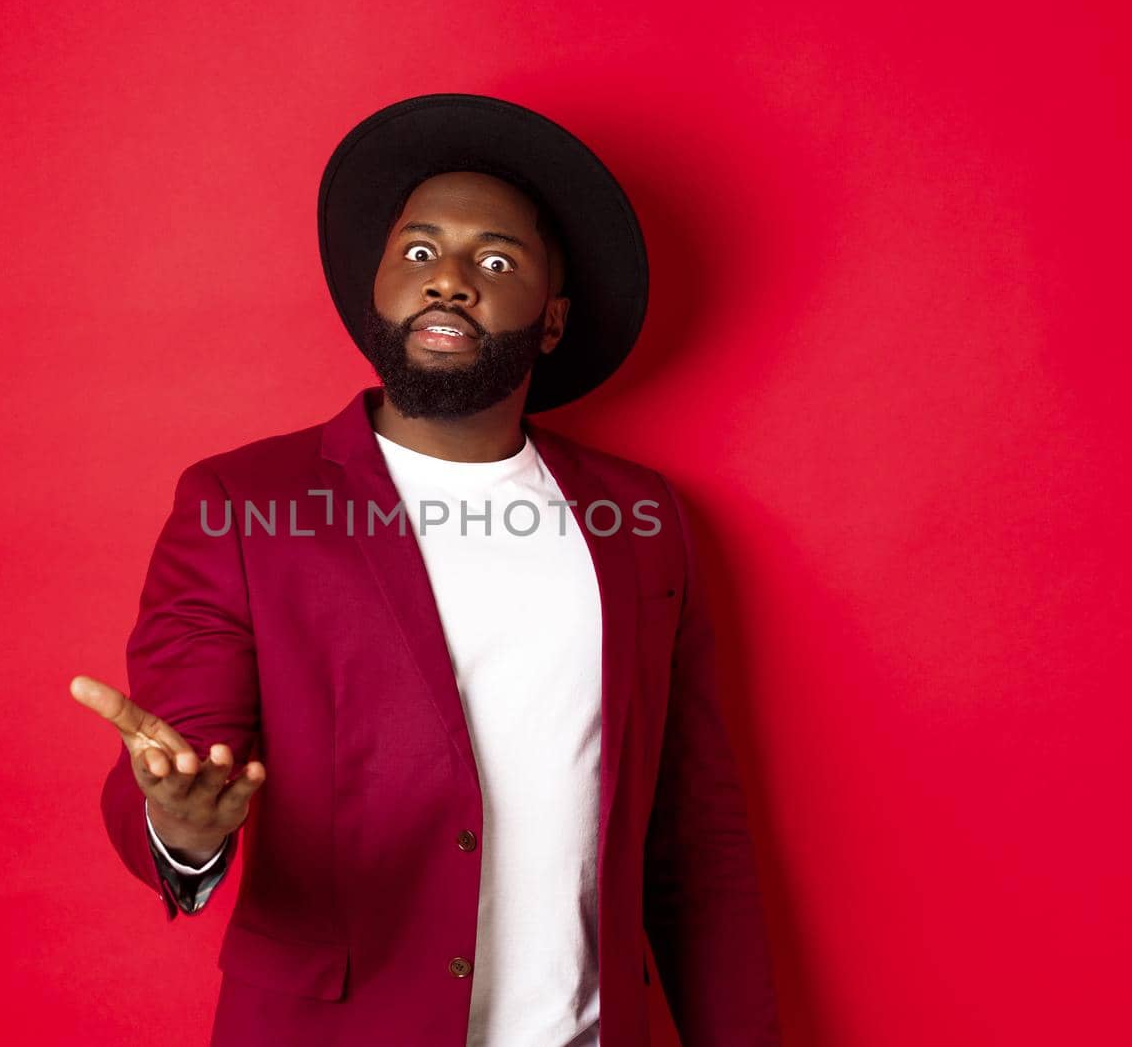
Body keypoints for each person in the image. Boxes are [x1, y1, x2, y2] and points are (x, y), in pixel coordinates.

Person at [70, 93, 781, 1047]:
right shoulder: (241, 500)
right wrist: (185, 824)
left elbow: (696, 838)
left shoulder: (641, 520)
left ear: (554, 319)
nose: (448, 280)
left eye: (495, 260)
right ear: (380, 287)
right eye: (418, 252)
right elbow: (182, 755)